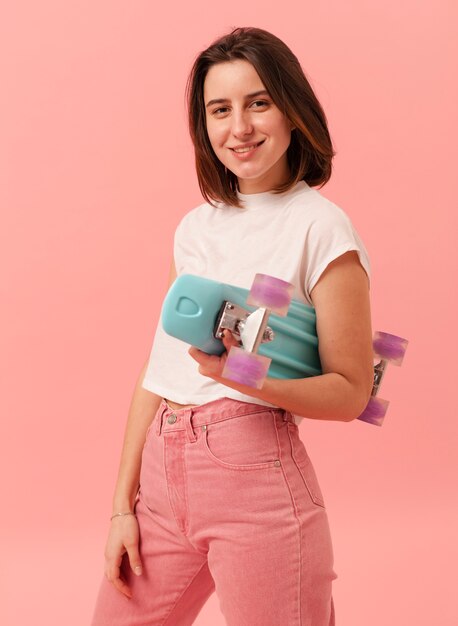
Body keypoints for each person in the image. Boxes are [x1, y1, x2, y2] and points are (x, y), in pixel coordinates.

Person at [91, 26, 374, 626]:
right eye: (220, 110)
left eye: (258, 103)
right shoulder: (195, 227)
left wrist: (245, 376)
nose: (239, 128)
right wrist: (122, 506)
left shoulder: (322, 228)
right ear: (205, 127)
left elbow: (352, 391)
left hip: (256, 476)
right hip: (163, 478)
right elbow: (159, 367)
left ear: (293, 110)